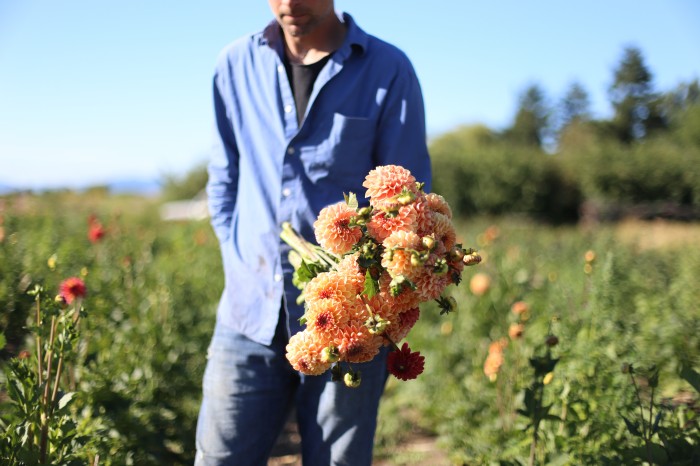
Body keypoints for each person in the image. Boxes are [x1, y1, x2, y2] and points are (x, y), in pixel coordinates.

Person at [195, 1, 431, 464]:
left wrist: (365, 290)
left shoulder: (388, 70)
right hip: (249, 313)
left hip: (351, 322)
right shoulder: (234, 65)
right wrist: (238, 258)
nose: (289, 3)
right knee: (220, 458)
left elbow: (405, 204)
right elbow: (224, 180)